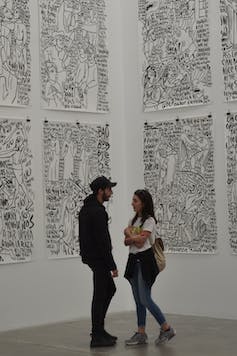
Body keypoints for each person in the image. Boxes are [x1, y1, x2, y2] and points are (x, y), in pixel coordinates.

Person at [124, 189, 176, 346]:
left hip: (145, 262)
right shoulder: (133, 220)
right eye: (132, 200)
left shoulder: (150, 221)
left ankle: (166, 328)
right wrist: (133, 236)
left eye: (135, 201)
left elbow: (139, 242)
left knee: (145, 298)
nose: (132, 203)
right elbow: (127, 242)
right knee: (138, 300)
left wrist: (129, 234)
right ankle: (141, 333)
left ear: (143, 203)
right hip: (133, 260)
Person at [79, 176, 118, 348]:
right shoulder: (98, 211)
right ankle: (96, 334)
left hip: (92, 257)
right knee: (101, 294)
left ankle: (99, 330)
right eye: (109, 189)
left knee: (108, 290)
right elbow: (103, 241)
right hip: (99, 258)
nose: (111, 192)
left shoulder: (87, 208)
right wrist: (112, 265)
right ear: (100, 191)